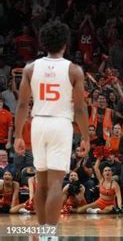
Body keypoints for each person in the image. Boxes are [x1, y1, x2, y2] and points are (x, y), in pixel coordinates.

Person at [14, 21, 90, 230]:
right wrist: (85, 137)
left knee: (41, 181)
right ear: (66, 43)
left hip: (38, 123)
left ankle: (41, 231)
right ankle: (50, 233)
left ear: (43, 42)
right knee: (56, 183)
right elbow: (81, 109)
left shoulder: (30, 68)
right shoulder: (74, 70)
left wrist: (18, 135)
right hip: (60, 124)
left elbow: (22, 104)